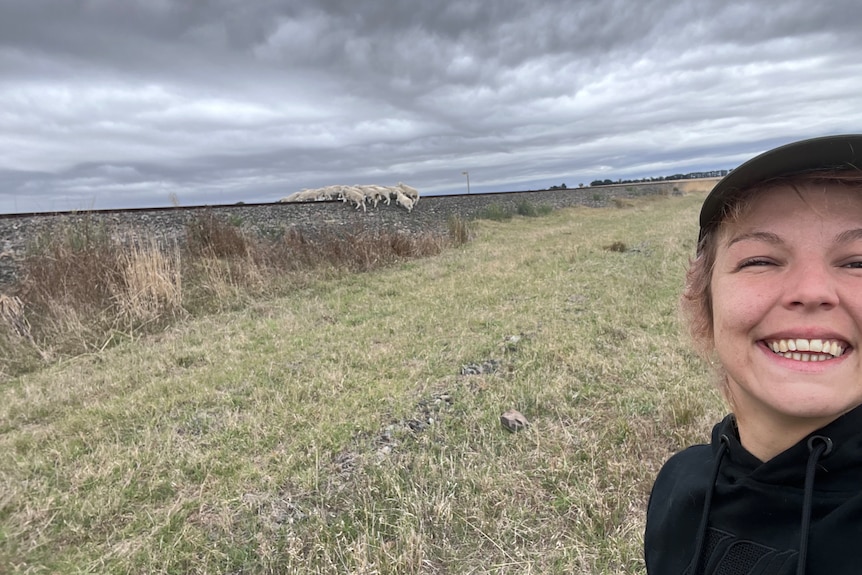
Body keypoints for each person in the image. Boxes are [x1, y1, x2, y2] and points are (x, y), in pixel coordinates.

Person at [644, 134, 862, 575]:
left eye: (858, 263)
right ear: (702, 301)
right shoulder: (677, 485)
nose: (812, 292)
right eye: (760, 261)